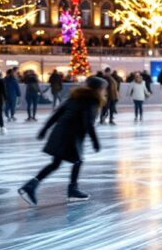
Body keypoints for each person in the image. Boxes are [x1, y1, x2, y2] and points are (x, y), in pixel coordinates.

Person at [18, 76, 106, 206]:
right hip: (71, 134)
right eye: (104, 89)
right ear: (98, 89)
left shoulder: (75, 96)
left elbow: (57, 113)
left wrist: (45, 129)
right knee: (78, 160)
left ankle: (31, 186)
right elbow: (88, 123)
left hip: (60, 131)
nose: (104, 92)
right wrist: (95, 142)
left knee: (56, 163)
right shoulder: (92, 101)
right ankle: (72, 190)